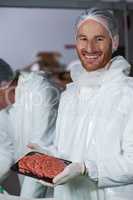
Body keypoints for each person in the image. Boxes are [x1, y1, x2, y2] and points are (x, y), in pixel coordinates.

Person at [35, 7, 133, 200]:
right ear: (76, 41)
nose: (89, 48)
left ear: (114, 42)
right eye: (83, 38)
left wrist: (86, 169)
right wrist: (47, 155)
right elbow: (67, 147)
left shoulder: (127, 94)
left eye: (99, 39)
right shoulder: (70, 94)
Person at [0, 66, 60, 197]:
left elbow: (42, 153)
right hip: (28, 185)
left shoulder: (42, 91)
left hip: (54, 186)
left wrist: (27, 198)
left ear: (3, 85)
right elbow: (5, 152)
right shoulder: (4, 110)